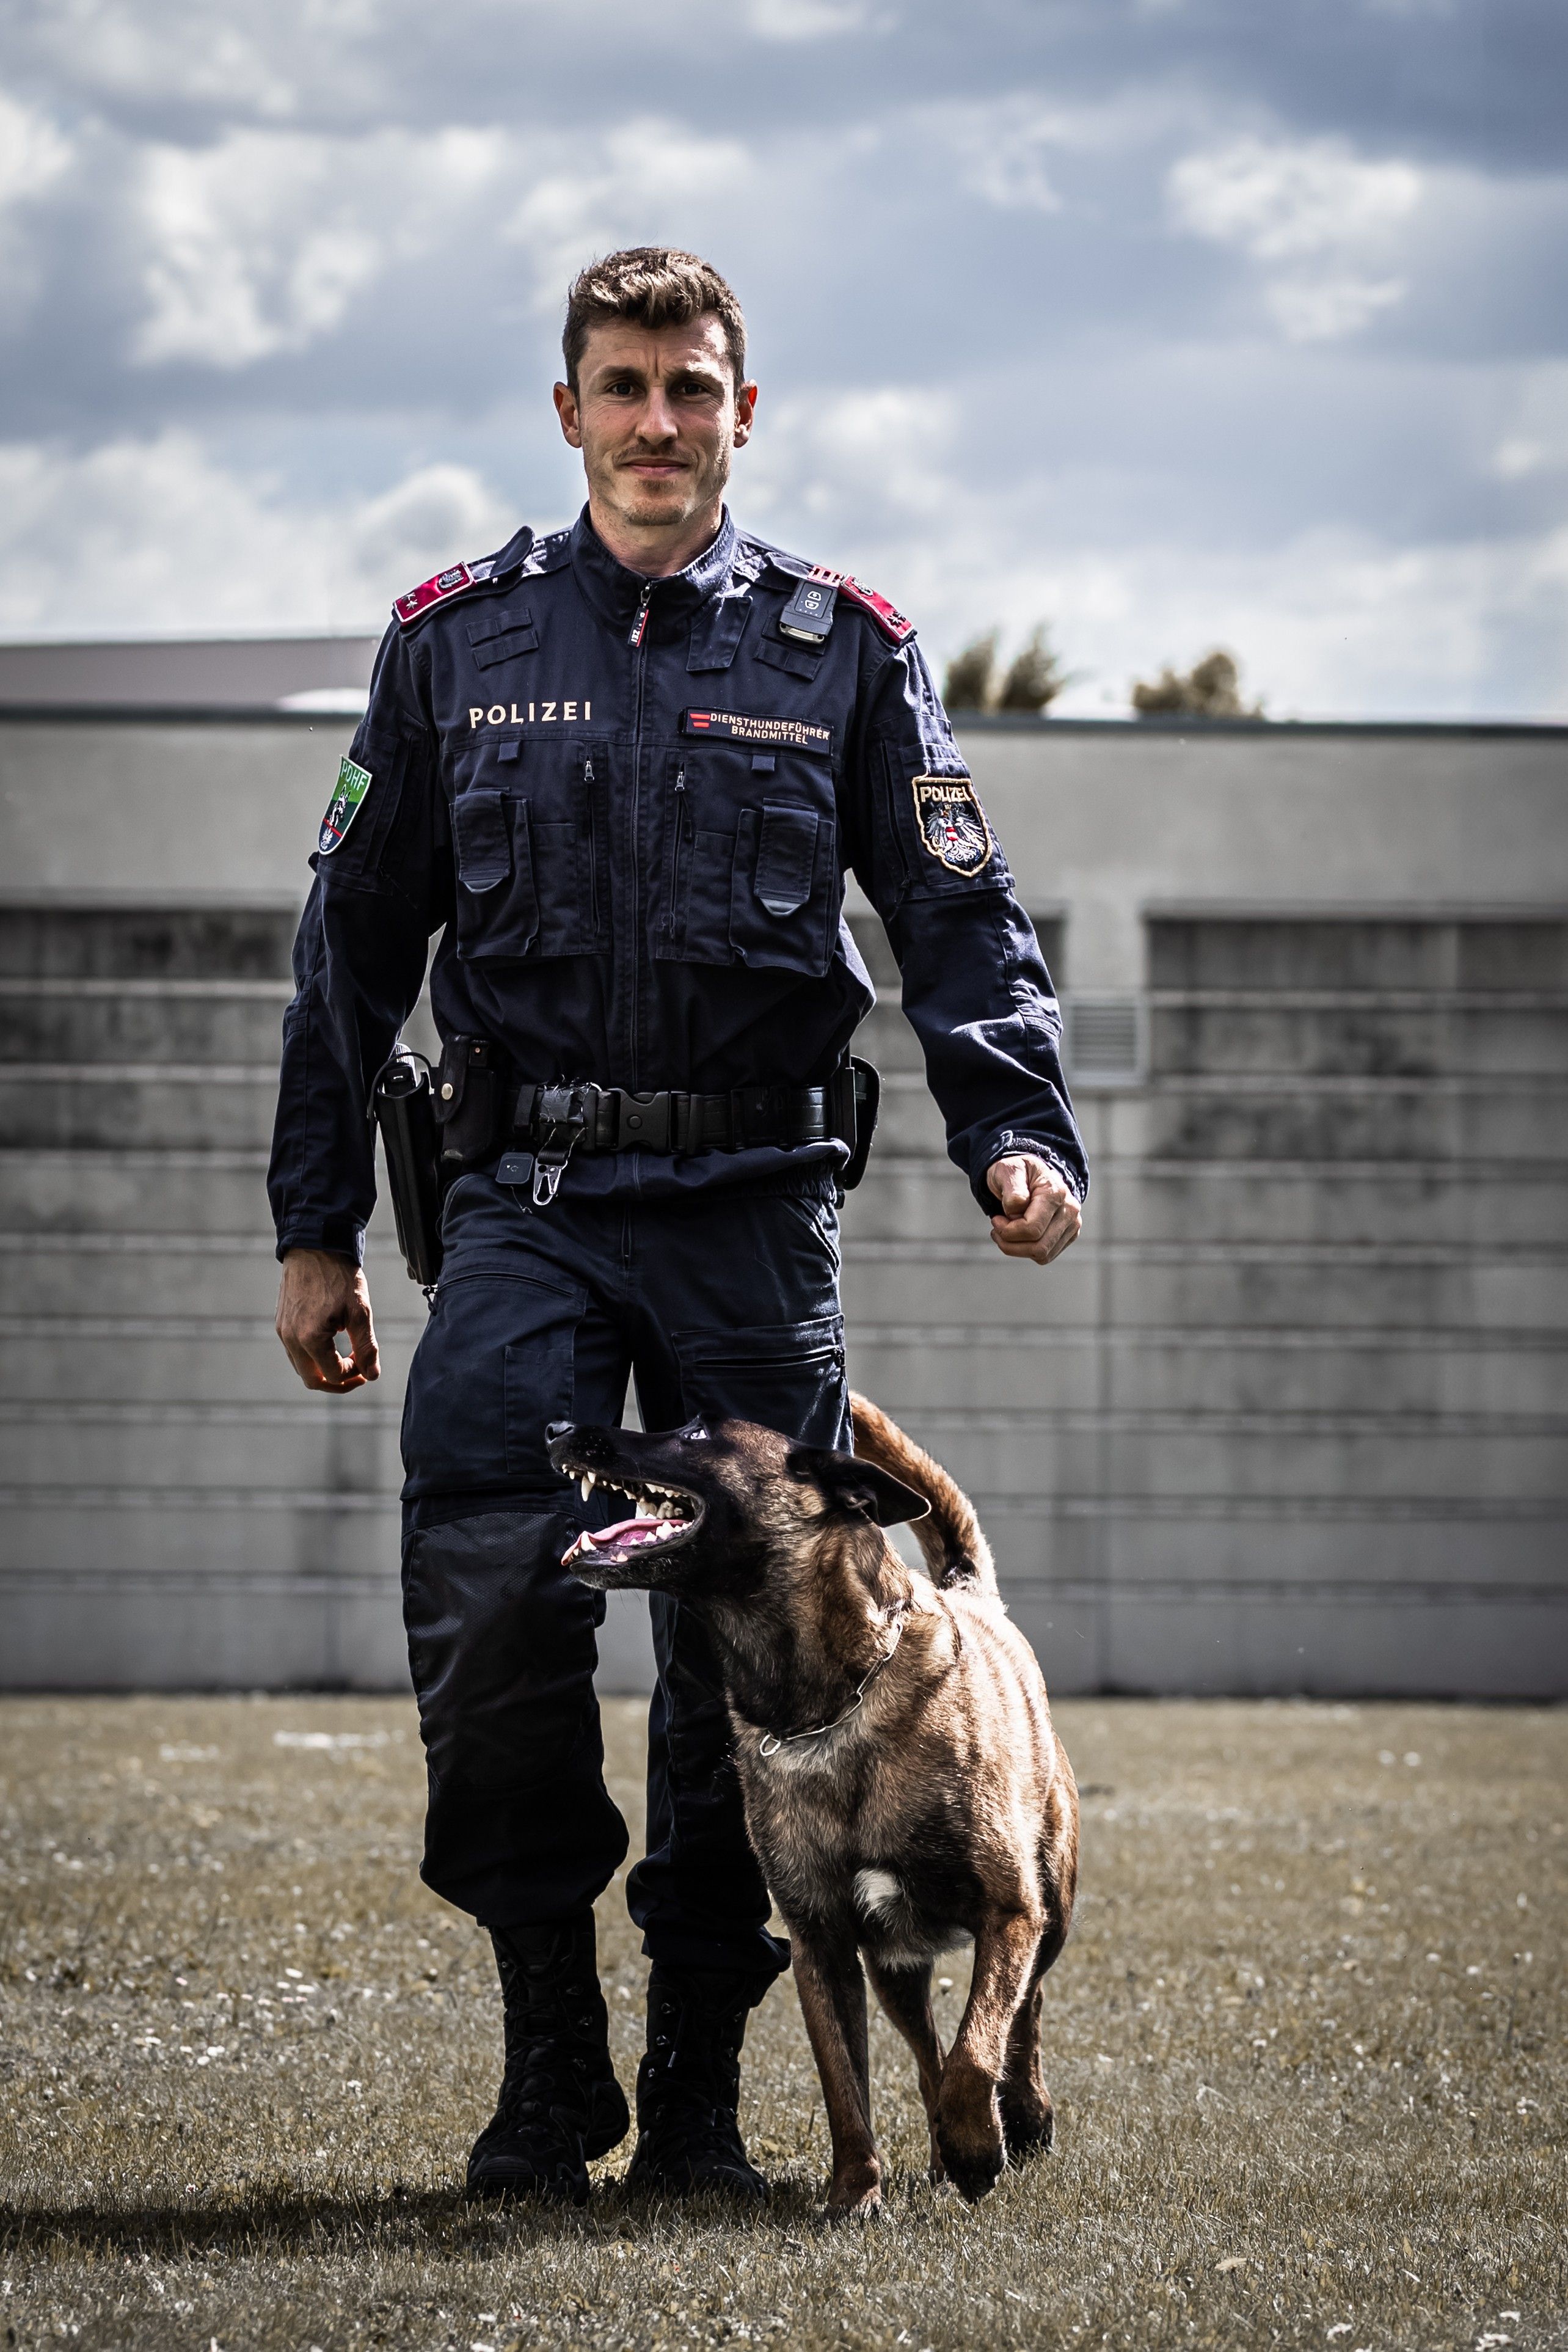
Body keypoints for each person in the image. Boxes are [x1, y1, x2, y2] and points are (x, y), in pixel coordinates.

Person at [269, 247, 1087, 2208]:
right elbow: (350, 945)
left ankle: (704, 2094)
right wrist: (317, 1227)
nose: (657, 422)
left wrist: (1014, 1130)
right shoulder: (452, 641)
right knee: (491, 1604)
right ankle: (551, 2068)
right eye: (621, 386)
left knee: (773, 1662)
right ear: (567, 412)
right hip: (525, 1211)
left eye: (690, 387)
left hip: (750, 1210)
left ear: (743, 408)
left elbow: (958, 912)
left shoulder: (842, 648)